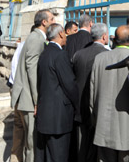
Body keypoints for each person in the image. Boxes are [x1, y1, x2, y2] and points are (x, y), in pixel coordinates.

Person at [90, 26, 129, 162]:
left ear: (114, 39)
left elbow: (92, 94)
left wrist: (95, 119)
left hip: (104, 126)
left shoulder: (100, 58)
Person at [10, 9, 55, 162]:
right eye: (52, 19)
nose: (54, 22)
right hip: (29, 99)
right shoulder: (37, 39)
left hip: (24, 97)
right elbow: (33, 70)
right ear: (44, 22)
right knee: (31, 143)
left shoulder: (34, 37)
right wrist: (37, 100)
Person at [35, 23, 78, 162]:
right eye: (64, 34)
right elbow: (70, 85)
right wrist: (79, 105)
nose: (66, 37)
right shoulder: (60, 55)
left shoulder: (44, 54)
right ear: (60, 34)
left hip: (45, 115)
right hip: (58, 118)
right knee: (59, 156)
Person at [72, 23, 109, 162]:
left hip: (80, 107)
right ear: (104, 36)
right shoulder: (107, 55)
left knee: (81, 147)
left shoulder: (78, 54)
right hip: (98, 108)